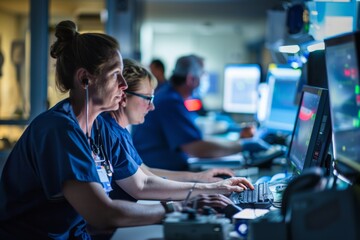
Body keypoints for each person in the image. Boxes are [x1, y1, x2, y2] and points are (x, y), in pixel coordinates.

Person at [0, 22, 252, 239]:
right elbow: (102, 214)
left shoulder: (96, 127)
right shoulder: (59, 131)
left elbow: (141, 182)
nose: (123, 85)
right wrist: (183, 206)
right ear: (85, 79)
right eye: (116, 75)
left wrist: (212, 189)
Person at [101, 58, 254, 203]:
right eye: (147, 98)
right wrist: (209, 189)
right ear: (123, 96)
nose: (152, 107)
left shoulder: (120, 131)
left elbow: (146, 172)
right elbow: (143, 185)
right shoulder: (110, 132)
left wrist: (200, 178)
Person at [132, 54, 270, 171]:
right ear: (191, 79)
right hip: (161, 171)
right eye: (203, 75)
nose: (205, 80)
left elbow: (194, 139)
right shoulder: (170, 102)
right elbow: (197, 148)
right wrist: (243, 146)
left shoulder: (170, 96)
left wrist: (236, 142)